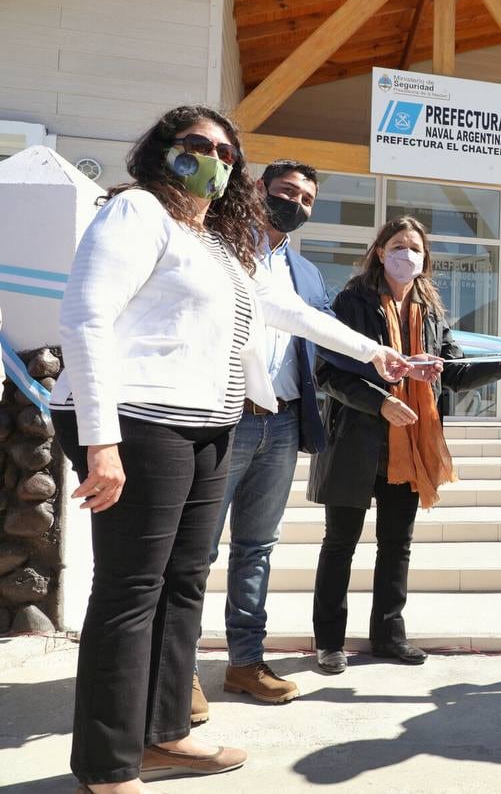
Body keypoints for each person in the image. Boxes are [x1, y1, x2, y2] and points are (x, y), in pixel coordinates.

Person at [50, 105, 410, 793]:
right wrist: (101, 440)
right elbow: (86, 315)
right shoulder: (137, 214)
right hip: (136, 419)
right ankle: (106, 766)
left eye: (225, 151)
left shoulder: (215, 242)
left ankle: (164, 734)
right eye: (198, 145)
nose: (213, 158)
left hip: (208, 424)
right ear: (163, 149)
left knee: (184, 582)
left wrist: (378, 354)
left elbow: (289, 313)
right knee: (131, 590)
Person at [309, 216, 501, 673]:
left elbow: (449, 371)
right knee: (340, 545)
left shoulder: (430, 308)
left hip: (411, 444)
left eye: (415, 248)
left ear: (424, 259)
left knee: (397, 545)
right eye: (397, 245)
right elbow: (329, 374)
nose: (406, 254)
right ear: (379, 252)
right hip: (357, 441)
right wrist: (380, 403)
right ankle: (329, 642)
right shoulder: (352, 302)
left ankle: (389, 636)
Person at [190, 159, 327, 721]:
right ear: (259, 191)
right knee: (196, 549)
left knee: (257, 549)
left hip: (284, 421)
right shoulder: (217, 245)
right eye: (286, 192)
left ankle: (245, 662)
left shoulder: (307, 274)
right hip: (225, 419)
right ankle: (178, 671)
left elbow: (319, 341)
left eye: (307, 199)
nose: (296, 203)